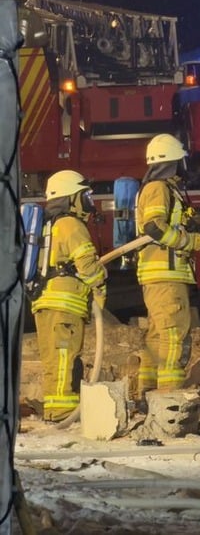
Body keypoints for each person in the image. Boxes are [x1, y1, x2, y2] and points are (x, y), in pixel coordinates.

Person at [31, 170, 107, 422]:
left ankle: (56, 410)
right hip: (64, 305)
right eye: (84, 194)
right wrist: (101, 282)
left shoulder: (49, 224)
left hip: (46, 303)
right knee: (64, 358)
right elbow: (87, 264)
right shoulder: (70, 224)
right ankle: (63, 412)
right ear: (70, 197)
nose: (88, 199)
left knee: (55, 359)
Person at [134, 133, 200, 395]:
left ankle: (149, 391)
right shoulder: (158, 189)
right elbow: (154, 227)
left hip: (161, 277)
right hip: (166, 275)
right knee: (173, 334)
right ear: (172, 161)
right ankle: (169, 395)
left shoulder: (163, 189)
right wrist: (189, 241)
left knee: (158, 334)